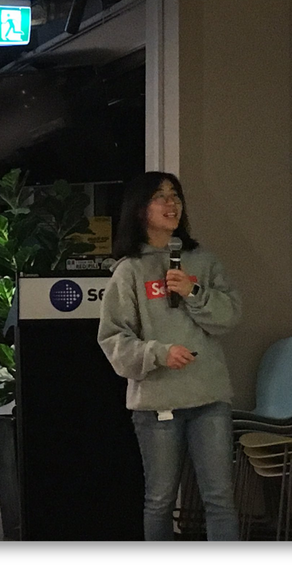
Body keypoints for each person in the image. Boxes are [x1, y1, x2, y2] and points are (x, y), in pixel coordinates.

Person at [97, 171, 242, 541]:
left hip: (209, 397)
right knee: (160, 500)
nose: (171, 203)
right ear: (140, 209)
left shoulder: (203, 261)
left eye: (175, 194)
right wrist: (159, 353)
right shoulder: (129, 270)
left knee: (220, 499)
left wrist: (194, 292)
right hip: (157, 402)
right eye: (160, 196)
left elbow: (229, 318)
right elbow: (113, 339)